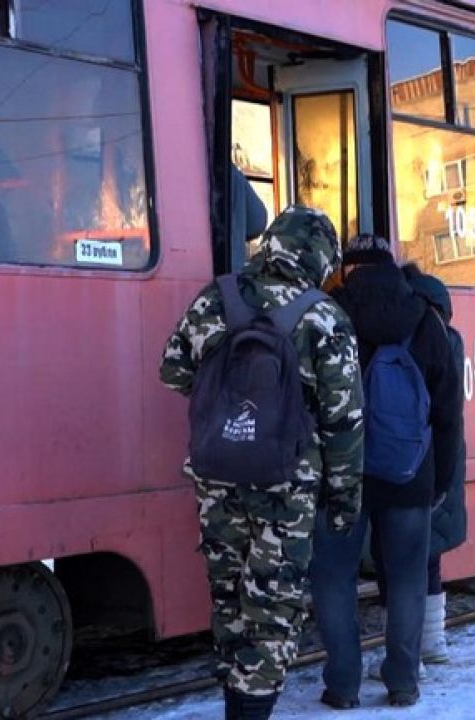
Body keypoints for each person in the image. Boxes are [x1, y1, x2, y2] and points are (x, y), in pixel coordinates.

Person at [159, 206, 363, 720]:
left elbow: (172, 372)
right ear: (319, 256)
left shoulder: (216, 297)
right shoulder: (322, 316)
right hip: (287, 487)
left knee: (229, 602)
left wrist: (231, 406)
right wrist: (342, 500)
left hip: (217, 477)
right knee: (271, 611)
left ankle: (236, 707)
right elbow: (345, 422)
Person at [309, 234, 463, 709]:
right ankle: (402, 681)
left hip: (340, 473)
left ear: (347, 270)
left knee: (334, 579)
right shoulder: (422, 318)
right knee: (407, 579)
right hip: (410, 472)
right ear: (390, 266)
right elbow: (447, 411)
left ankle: (342, 685)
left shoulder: (326, 316)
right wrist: (440, 479)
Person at [401, 263, 468, 664]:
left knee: (403, 561)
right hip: (446, 458)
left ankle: (409, 652)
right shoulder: (451, 338)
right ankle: (433, 643)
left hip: (407, 459)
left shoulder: (403, 338)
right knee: (430, 557)